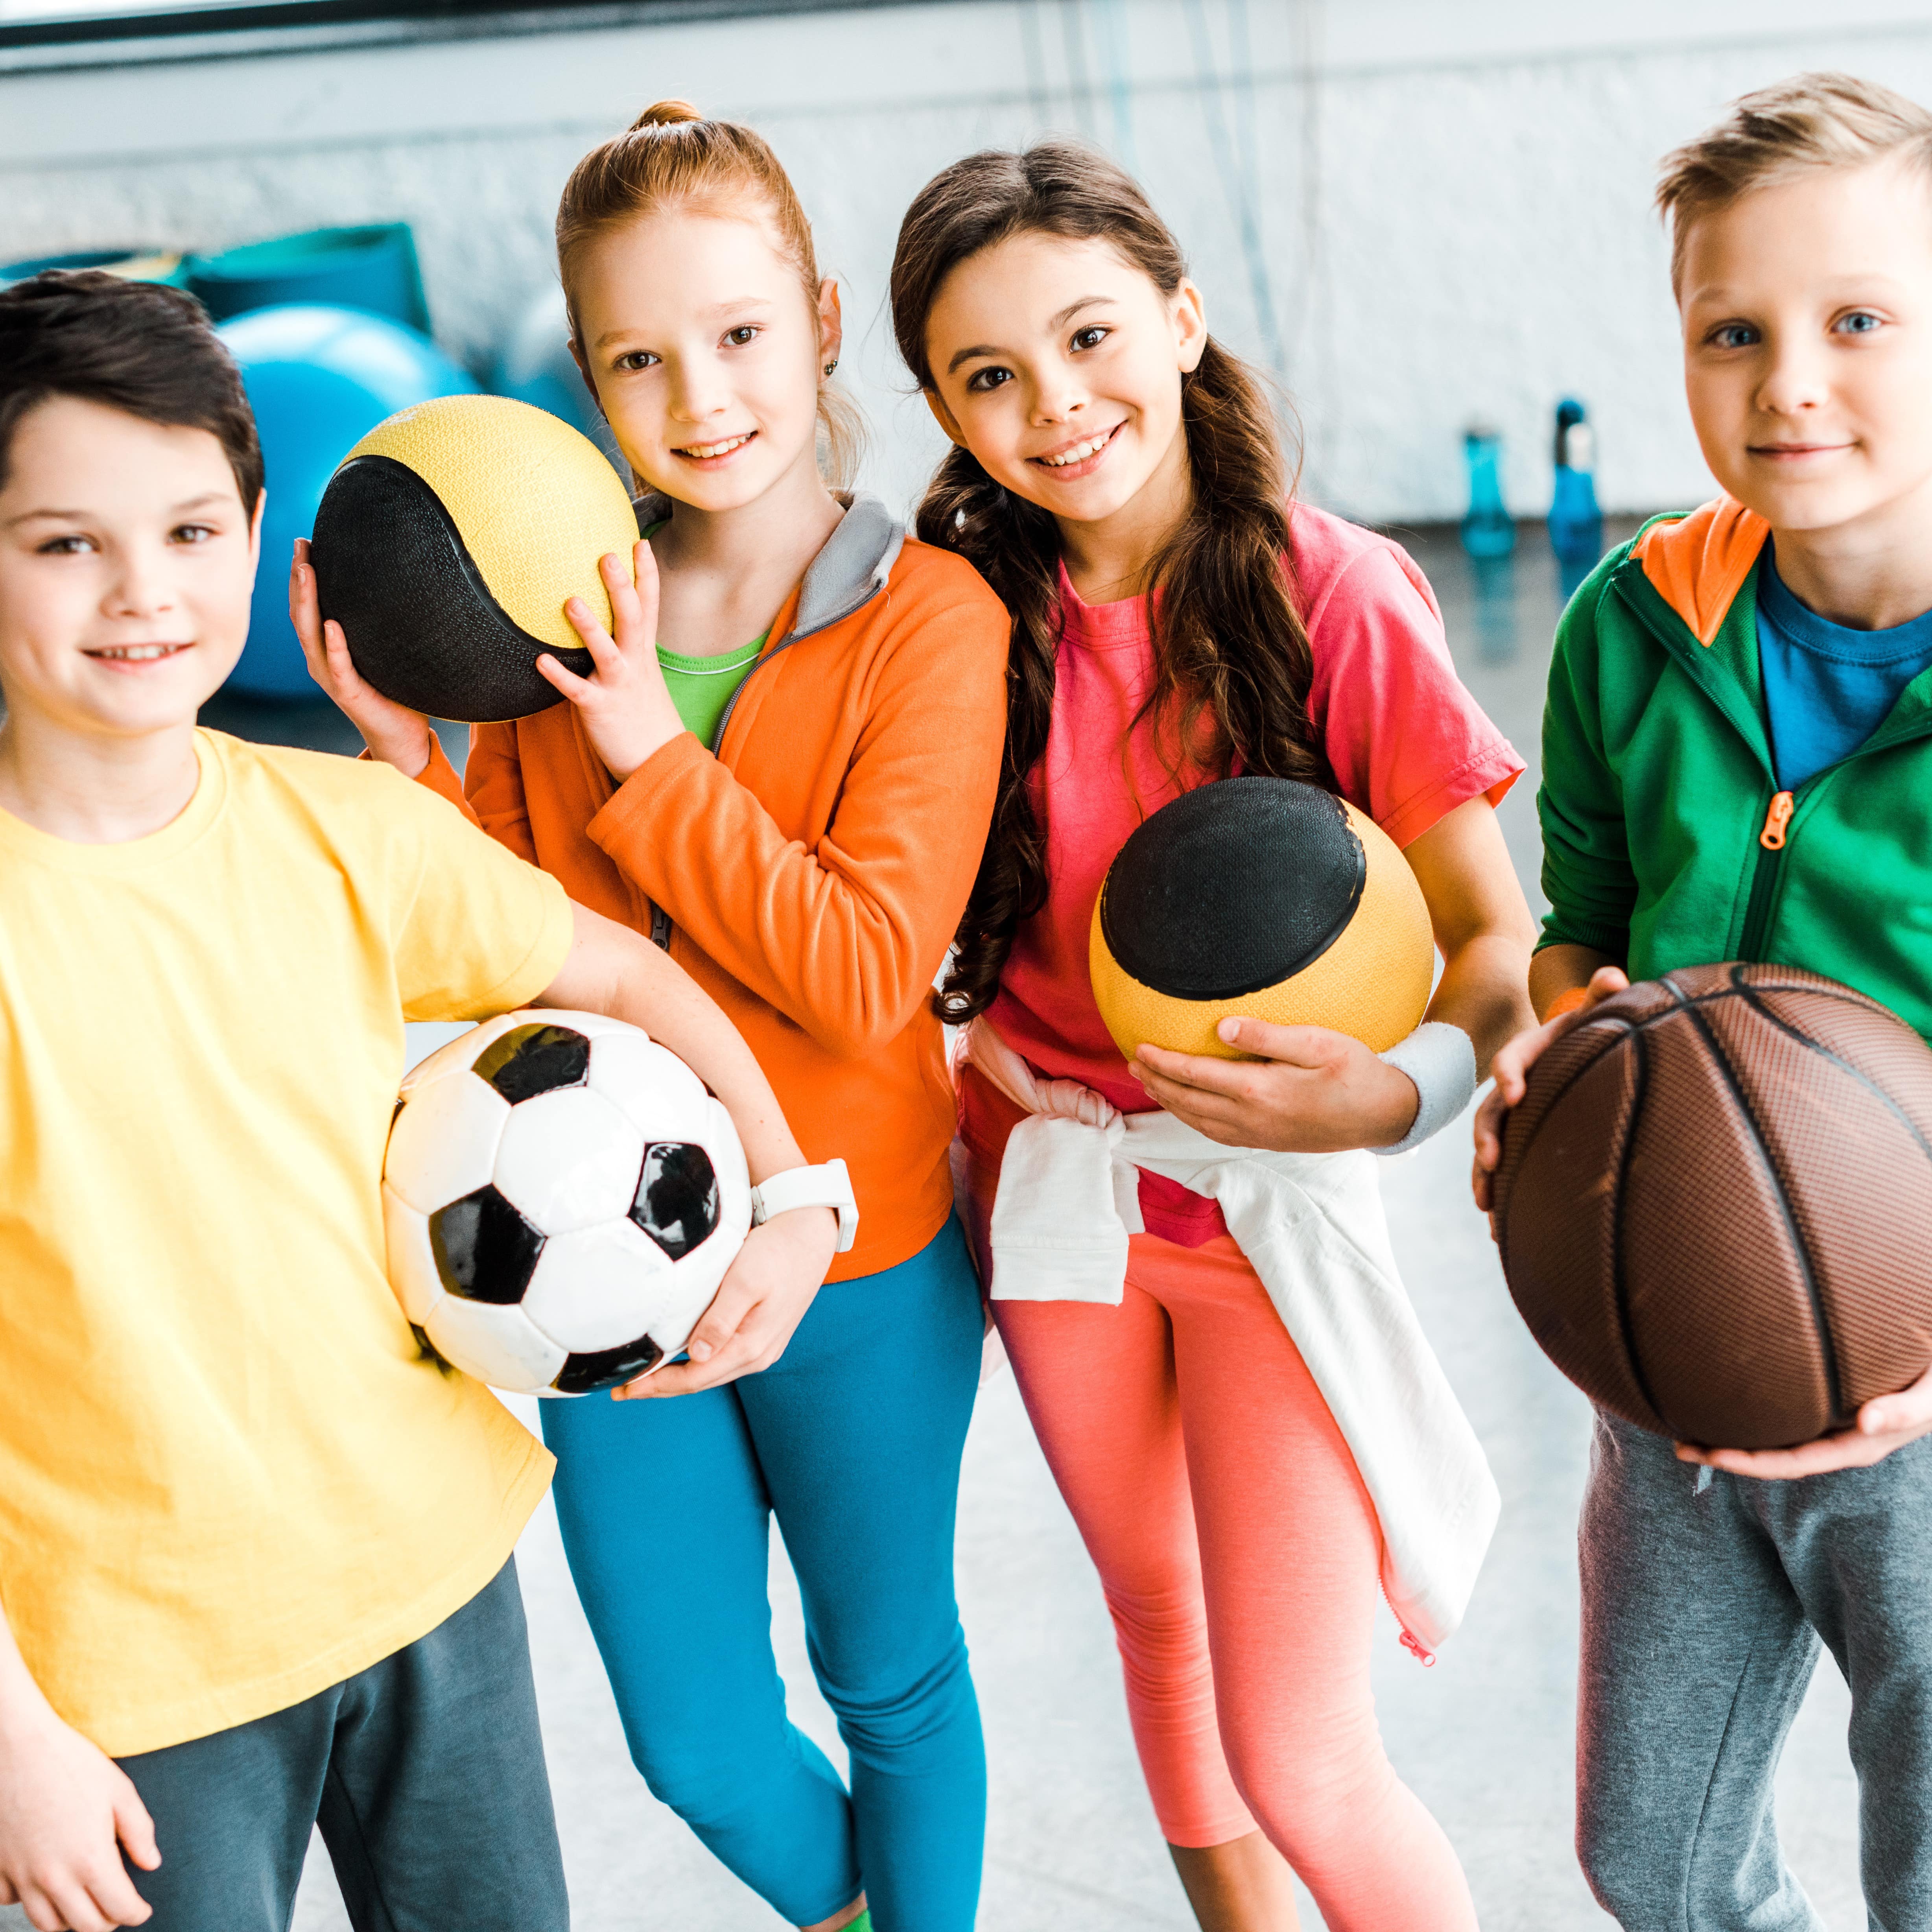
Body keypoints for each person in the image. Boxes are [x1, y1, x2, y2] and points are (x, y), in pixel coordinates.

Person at [0, 269, 837, 1932]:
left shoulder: (345, 830)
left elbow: (621, 977)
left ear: (256, 549)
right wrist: (14, 1732)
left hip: (428, 1578)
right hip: (128, 1675)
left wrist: (791, 1187)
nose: (139, 593)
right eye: (63, 543)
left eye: (187, 534)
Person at [295, 102, 1008, 1932]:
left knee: (892, 1680)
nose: (700, 396)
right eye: (639, 356)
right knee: (693, 1737)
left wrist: (650, 750)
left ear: (824, 321)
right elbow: (510, 957)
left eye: (741, 335)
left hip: (856, 1259)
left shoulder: (929, 619)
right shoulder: (554, 621)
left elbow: (860, 971)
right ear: (586, 378)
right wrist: (411, 774)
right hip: (600, 1284)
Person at [889, 142, 1537, 1932]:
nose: (1057, 405)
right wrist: (953, 1049)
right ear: (941, 406)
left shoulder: (1332, 593)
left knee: (1302, 1754)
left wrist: (1391, 1099)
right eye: (988, 376)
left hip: (1264, 1212)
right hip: (1055, 1206)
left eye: (1091, 334)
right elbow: (877, 903)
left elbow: (1498, 944)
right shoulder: (954, 621)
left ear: (1179, 320)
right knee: (1156, 1628)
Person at [1471, 70, 1932, 1931]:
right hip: (1664, 1347)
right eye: (1730, 331)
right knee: (1647, 1856)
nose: (1787, 382)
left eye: (1855, 322)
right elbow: (1576, 933)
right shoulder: (1627, 622)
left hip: (1917, 1393)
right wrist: (1557, 1050)